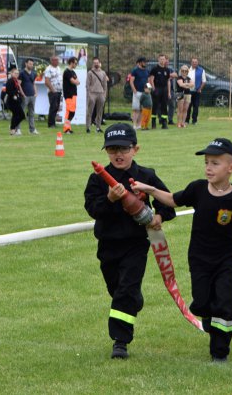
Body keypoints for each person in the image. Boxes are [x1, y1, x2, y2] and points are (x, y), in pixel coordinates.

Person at [131, 138, 232, 362]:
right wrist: (150, 189)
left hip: (226, 260)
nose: (208, 168)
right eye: (206, 162)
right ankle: (215, 325)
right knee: (202, 303)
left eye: (215, 163)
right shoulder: (198, 189)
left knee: (224, 301)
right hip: (199, 259)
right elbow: (173, 200)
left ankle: (220, 351)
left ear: (231, 168)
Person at [84, 123, 176, 359]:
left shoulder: (146, 176)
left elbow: (168, 203)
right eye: (112, 149)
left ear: (136, 149)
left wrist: (158, 216)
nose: (118, 154)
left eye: (124, 148)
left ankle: (120, 341)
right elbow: (93, 210)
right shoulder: (98, 180)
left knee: (125, 290)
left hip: (136, 244)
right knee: (117, 289)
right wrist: (109, 198)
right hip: (108, 244)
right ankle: (133, 299)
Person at [148, 54, 171, 130]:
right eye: (161, 59)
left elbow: (168, 81)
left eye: (163, 59)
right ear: (158, 60)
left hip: (164, 89)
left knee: (164, 106)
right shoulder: (154, 69)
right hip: (157, 88)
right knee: (155, 106)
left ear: (165, 60)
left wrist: (169, 92)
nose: (162, 60)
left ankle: (164, 123)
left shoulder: (167, 70)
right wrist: (153, 89)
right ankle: (153, 122)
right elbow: (151, 79)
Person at [86, 57, 108, 133]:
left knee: (100, 111)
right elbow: (87, 85)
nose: (96, 64)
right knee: (90, 111)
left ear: (99, 63)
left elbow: (105, 85)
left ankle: (98, 127)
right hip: (92, 93)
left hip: (100, 93)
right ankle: (88, 127)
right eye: (94, 63)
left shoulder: (103, 73)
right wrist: (89, 95)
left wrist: (104, 95)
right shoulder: (90, 73)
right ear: (93, 63)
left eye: (97, 62)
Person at [20, 58, 39, 135]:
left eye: (32, 64)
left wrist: (36, 93)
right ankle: (17, 129)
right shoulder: (21, 73)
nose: (31, 65)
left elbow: (34, 83)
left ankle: (32, 129)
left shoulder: (34, 73)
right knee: (21, 113)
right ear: (26, 63)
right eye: (30, 64)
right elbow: (19, 84)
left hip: (32, 96)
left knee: (31, 113)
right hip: (25, 96)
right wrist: (22, 94)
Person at [130, 57, 149, 129]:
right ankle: (134, 125)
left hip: (144, 93)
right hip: (137, 92)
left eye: (146, 62)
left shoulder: (147, 71)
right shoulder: (135, 70)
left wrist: (148, 90)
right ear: (140, 62)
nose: (145, 63)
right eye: (144, 62)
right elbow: (131, 81)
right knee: (136, 109)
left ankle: (139, 124)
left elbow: (147, 81)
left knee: (142, 109)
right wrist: (134, 91)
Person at [186, 57, 206, 125]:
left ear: (198, 63)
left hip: (197, 91)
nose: (194, 63)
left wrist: (200, 89)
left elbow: (204, 81)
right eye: (193, 62)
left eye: (196, 62)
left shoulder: (201, 70)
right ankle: (186, 120)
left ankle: (194, 120)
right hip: (188, 91)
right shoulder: (187, 70)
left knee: (196, 106)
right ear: (191, 63)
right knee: (188, 106)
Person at [44, 56, 63, 129]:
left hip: (59, 91)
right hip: (53, 91)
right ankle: (51, 124)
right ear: (52, 61)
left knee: (56, 107)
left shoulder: (58, 68)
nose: (58, 62)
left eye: (58, 60)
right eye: (56, 60)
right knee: (53, 107)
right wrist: (53, 90)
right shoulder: (49, 69)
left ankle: (53, 123)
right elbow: (47, 81)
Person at [6, 68, 26, 136]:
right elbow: (8, 91)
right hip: (12, 101)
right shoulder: (10, 81)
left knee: (17, 115)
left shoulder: (16, 81)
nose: (16, 74)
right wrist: (14, 94)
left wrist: (20, 94)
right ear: (11, 73)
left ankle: (13, 128)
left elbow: (18, 89)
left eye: (17, 73)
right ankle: (12, 128)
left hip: (16, 100)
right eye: (15, 73)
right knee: (20, 115)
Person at [62, 57, 80, 134]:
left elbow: (78, 82)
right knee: (69, 112)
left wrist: (76, 81)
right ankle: (66, 129)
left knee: (72, 112)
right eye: (75, 63)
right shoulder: (67, 72)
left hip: (74, 94)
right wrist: (75, 81)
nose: (76, 65)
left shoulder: (73, 72)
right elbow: (73, 81)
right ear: (71, 63)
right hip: (68, 94)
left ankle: (68, 127)